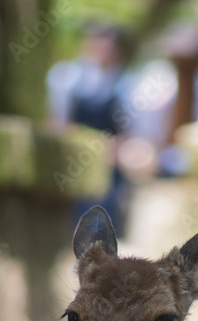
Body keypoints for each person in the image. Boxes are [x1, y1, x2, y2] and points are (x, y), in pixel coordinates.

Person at [46, 23, 132, 236]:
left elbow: (125, 130)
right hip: (77, 154)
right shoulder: (66, 77)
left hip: (109, 158)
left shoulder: (124, 82)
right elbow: (59, 123)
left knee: (106, 209)